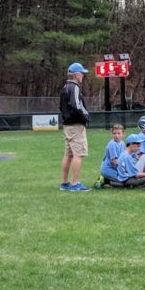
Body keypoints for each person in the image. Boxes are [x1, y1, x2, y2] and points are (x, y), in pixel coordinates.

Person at [59, 62, 91, 192]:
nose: (83, 75)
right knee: (79, 154)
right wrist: (86, 116)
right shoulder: (74, 87)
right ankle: (75, 183)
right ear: (77, 75)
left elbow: (61, 107)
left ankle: (65, 182)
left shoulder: (65, 87)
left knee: (68, 154)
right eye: (82, 73)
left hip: (67, 125)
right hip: (76, 125)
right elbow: (77, 105)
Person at [95, 124, 124, 188]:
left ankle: (108, 179)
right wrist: (123, 170)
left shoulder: (122, 143)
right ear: (112, 134)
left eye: (119, 133)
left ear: (123, 134)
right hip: (108, 169)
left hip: (115, 169)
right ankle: (105, 180)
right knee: (123, 181)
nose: (116, 135)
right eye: (114, 133)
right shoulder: (112, 144)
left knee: (125, 178)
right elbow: (114, 162)